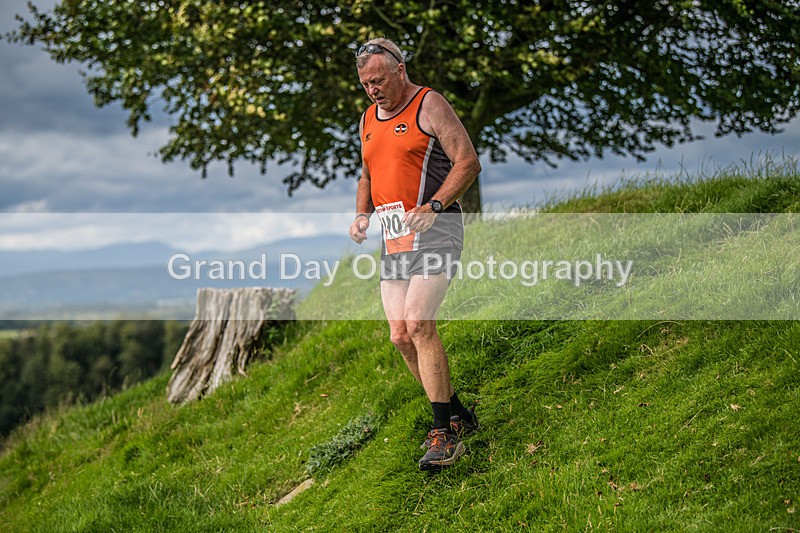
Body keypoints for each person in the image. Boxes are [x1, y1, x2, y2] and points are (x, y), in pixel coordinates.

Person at [348, 38, 482, 470]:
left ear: (400, 70)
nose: (373, 90)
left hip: (438, 227)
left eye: (379, 80)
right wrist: (360, 215)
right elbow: (368, 172)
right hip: (393, 238)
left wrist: (436, 206)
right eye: (366, 83)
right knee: (400, 335)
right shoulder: (368, 118)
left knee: (420, 322)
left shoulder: (429, 104)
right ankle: (457, 413)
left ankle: (443, 435)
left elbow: (467, 161)